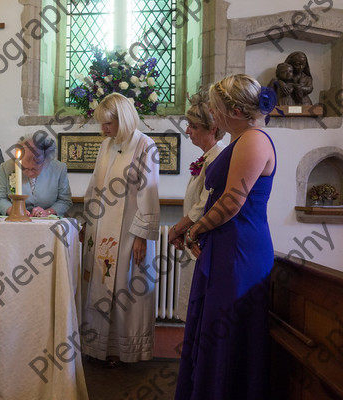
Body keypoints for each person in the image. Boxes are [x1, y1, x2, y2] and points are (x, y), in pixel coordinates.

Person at [174, 74, 277, 400]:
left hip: (240, 248)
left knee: (225, 330)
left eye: (217, 109)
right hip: (227, 243)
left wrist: (194, 229)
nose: (213, 115)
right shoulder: (240, 139)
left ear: (234, 109)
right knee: (212, 325)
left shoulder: (253, 140)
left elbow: (232, 202)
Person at [80, 93, 160, 367]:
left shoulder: (144, 146)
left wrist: (141, 235)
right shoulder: (106, 145)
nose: (104, 129)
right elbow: (95, 185)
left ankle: (122, 351)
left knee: (123, 287)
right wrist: (86, 220)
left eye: (108, 123)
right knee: (99, 286)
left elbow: (148, 194)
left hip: (128, 233)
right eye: (102, 124)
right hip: (101, 232)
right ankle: (97, 347)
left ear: (124, 120)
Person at [168, 90, 225, 320]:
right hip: (193, 241)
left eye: (193, 126)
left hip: (202, 244)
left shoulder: (216, 159)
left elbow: (202, 207)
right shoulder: (206, 158)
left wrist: (176, 230)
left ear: (211, 128)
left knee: (200, 314)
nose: (188, 131)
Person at [0, 133, 72, 216]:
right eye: (24, 168)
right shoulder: (6, 167)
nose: (29, 173)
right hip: (16, 220)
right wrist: (13, 211)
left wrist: (47, 212)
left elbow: (65, 201)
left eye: (34, 169)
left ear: (45, 161)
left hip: (48, 222)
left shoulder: (59, 169)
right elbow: (0, 198)